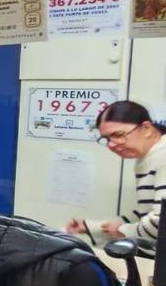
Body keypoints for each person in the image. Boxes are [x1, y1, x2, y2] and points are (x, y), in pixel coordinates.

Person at [67, 101, 165, 243]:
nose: (111, 144)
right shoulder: (148, 157)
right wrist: (92, 227)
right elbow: (147, 214)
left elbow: (161, 224)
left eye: (118, 135)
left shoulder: (163, 156)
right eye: (106, 138)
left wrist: (123, 231)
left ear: (146, 128)